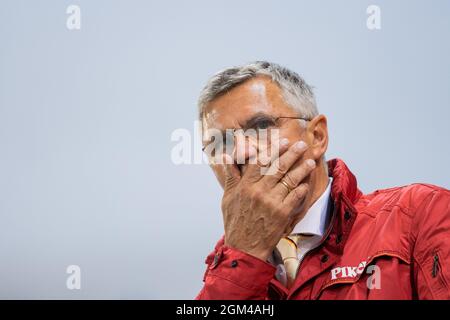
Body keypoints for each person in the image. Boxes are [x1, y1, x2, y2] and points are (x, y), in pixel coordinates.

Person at [195, 61, 450, 300]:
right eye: (221, 142)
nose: (242, 153)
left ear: (317, 136)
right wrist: (243, 258)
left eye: (261, 126)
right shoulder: (223, 274)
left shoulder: (420, 215)